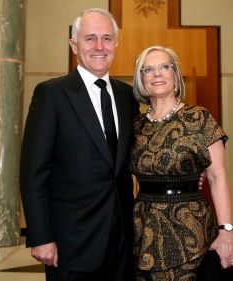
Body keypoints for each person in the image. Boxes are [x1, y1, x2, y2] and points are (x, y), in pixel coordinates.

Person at [20, 8, 140, 281]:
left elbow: (138, 154)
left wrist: (188, 171)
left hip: (122, 243)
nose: (100, 46)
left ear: (116, 44)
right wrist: (40, 237)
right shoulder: (51, 94)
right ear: (74, 45)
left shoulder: (126, 96)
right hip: (70, 244)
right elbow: (33, 172)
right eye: (90, 38)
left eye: (107, 38)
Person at [130, 45, 233, 280]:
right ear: (141, 80)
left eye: (164, 67)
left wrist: (227, 231)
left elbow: (217, 178)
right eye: (148, 69)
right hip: (142, 227)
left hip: (189, 228)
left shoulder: (200, 119)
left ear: (175, 75)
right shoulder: (135, 125)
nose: (156, 74)